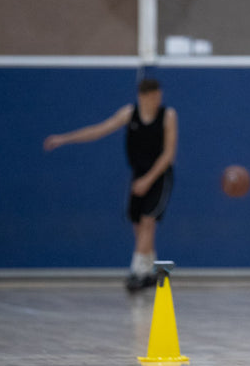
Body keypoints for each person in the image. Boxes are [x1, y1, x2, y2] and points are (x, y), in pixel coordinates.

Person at [43, 77, 177, 292]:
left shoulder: (168, 115)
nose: (157, 99)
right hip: (138, 174)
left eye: (159, 95)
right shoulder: (129, 113)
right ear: (142, 96)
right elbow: (99, 130)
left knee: (148, 222)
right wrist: (64, 139)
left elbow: (169, 154)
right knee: (138, 226)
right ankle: (157, 274)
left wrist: (148, 179)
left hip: (160, 175)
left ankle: (136, 273)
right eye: (153, 96)